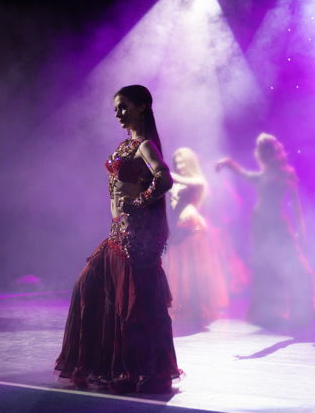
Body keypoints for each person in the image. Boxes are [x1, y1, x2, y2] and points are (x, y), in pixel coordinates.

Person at [55, 85, 181, 394]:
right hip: (119, 230)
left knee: (133, 301)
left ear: (142, 106)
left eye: (123, 106)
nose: (118, 113)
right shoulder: (126, 145)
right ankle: (110, 366)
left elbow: (164, 178)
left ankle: (138, 370)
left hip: (137, 233)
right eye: (115, 108)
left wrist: (138, 202)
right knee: (90, 286)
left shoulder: (146, 145)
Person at [216, 133, 315, 326]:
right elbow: (247, 176)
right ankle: (286, 313)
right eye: (263, 151)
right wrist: (229, 164)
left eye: (268, 150)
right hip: (262, 228)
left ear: (273, 152)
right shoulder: (265, 174)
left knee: (301, 269)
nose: (265, 154)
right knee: (271, 271)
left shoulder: (286, 173)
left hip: (278, 227)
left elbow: (295, 204)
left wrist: (301, 231)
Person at [164, 147, 228, 324]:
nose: (179, 166)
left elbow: (193, 183)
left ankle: (199, 310)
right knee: (181, 271)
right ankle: (186, 309)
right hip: (178, 229)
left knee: (195, 271)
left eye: (182, 162)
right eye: (176, 163)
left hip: (194, 229)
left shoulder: (197, 181)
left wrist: (166, 173)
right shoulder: (174, 182)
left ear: (190, 162)